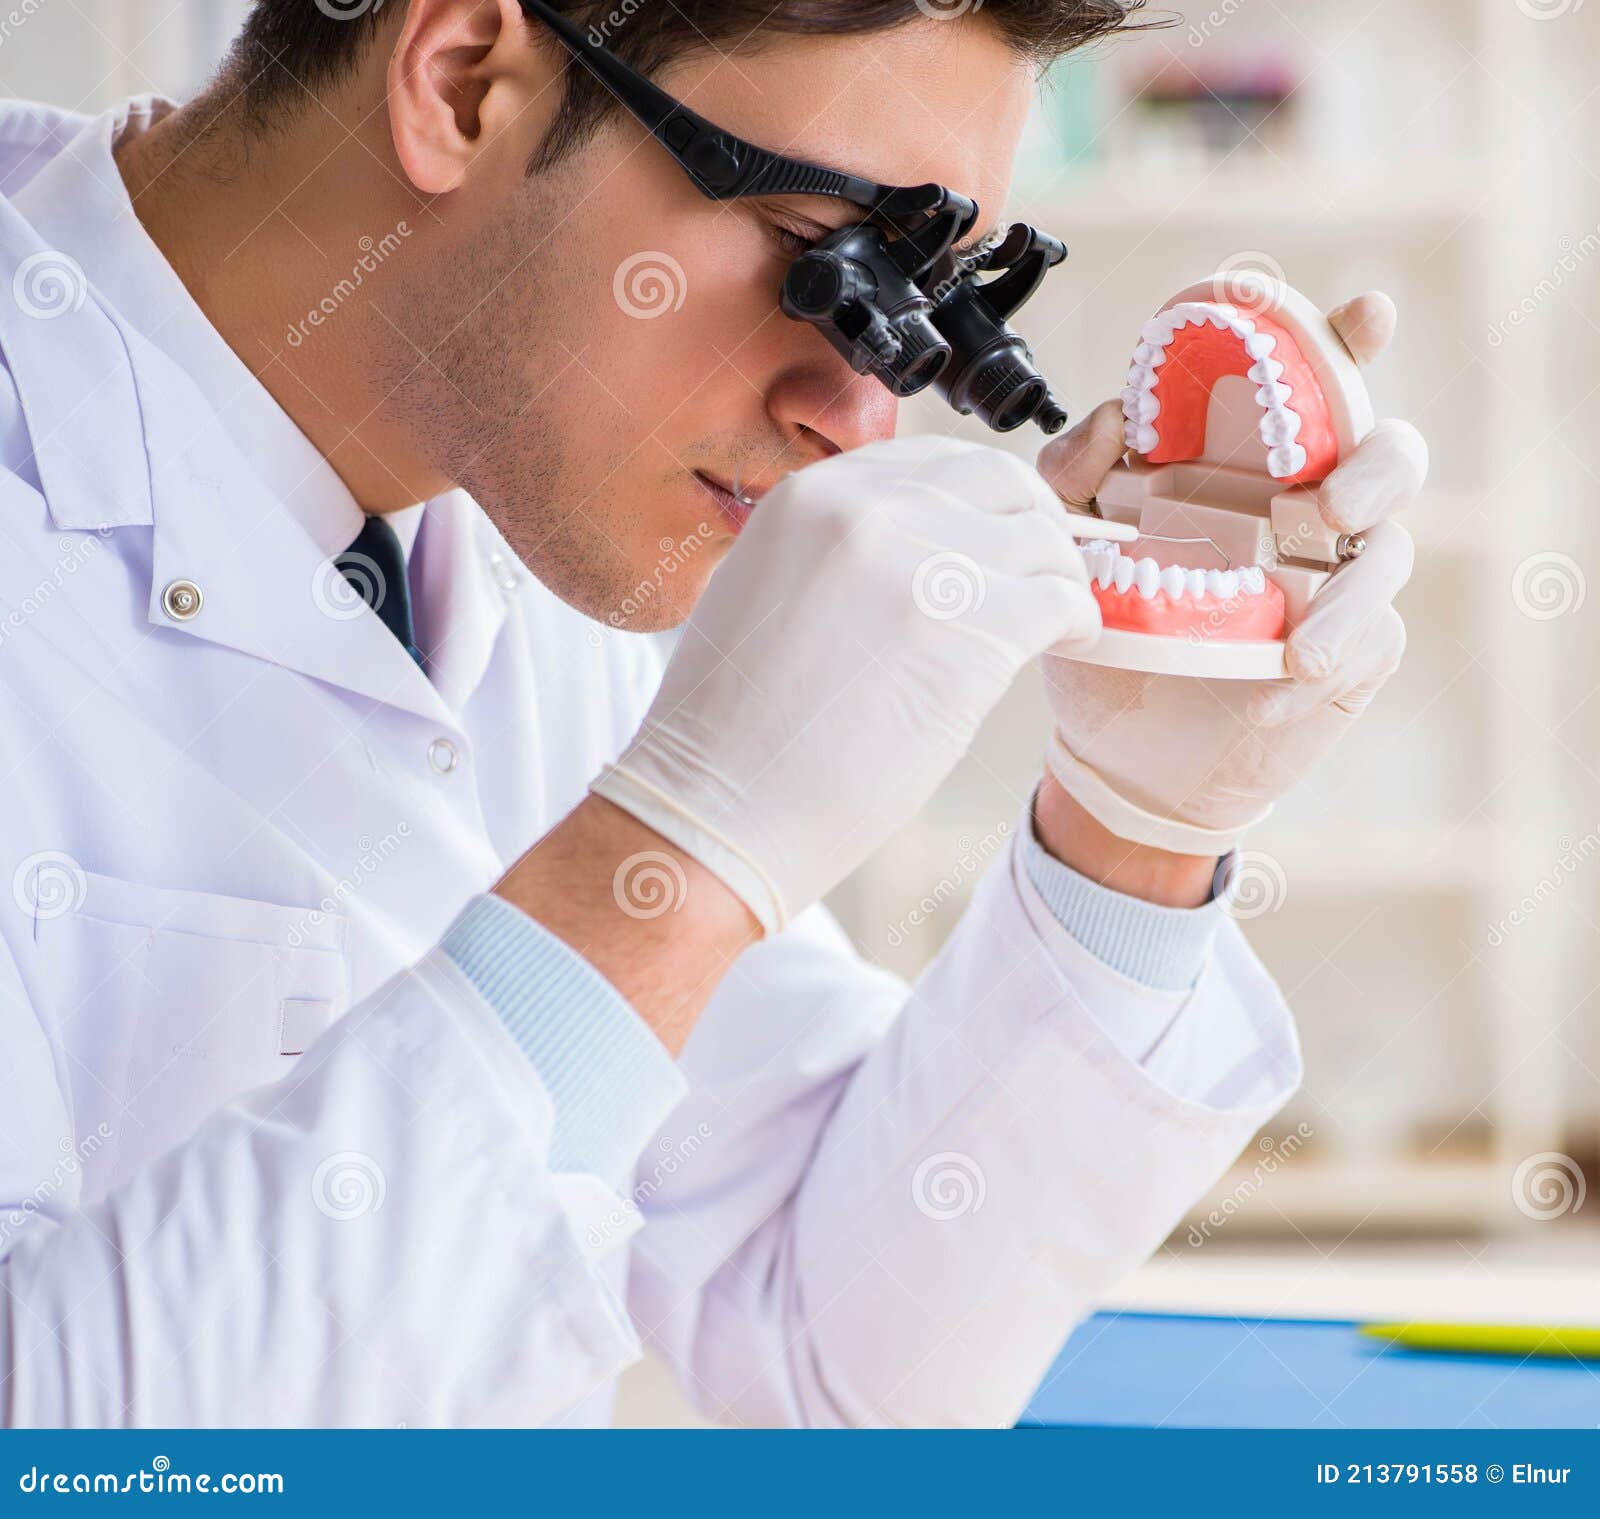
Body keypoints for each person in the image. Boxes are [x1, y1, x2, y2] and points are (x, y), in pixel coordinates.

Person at [0, 0, 1425, 1427]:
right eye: (826, 259)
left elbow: (817, 1345)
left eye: (934, 303)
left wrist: (1132, 834)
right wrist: (666, 876)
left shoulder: (521, 500)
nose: (860, 418)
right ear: (460, 79)